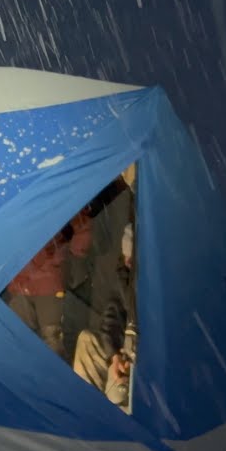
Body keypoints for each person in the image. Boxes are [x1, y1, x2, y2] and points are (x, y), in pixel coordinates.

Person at [71, 164, 138, 412]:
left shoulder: (135, 278)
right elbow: (113, 310)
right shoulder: (123, 276)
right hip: (103, 260)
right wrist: (114, 355)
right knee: (87, 341)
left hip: (139, 348)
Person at [3, 208, 92, 358]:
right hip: (26, 286)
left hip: (39, 286)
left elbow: (82, 230)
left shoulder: (48, 198)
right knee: (24, 345)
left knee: (46, 343)